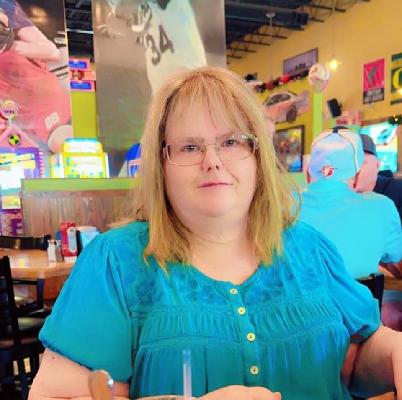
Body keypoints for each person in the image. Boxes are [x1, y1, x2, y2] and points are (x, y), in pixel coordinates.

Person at [29, 68, 402, 400]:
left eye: (232, 141)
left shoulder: (309, 248)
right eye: (189, 147)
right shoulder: (115, 263)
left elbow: (355, 359)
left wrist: (394, 354)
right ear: (161, 166)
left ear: (257, 156)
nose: (212, 161)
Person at [298, 126, 402, 279]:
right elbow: (396, 261)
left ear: (307, 172)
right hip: (359, 294)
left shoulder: (280, 206)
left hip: (291, 294)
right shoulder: (383, 207)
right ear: (357, 174)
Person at [0, 0, 72, 152]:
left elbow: (51, 52)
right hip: (18, 123)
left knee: (65, 144)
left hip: (49, 108)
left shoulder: (4, 6)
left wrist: (10, 45)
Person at [355, 133, 402, 224]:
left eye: (361, 162)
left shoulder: (397, 192)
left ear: (377, 165)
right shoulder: (338, 195)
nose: (355, 169)